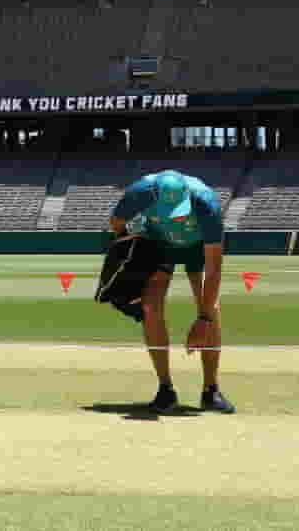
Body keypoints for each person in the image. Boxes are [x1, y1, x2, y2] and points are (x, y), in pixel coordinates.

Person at [109, 170, 236, 414]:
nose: (176, 219)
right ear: (153, 197)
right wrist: (134, 251)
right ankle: (165, 390)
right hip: (158, 242)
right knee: (150, 307)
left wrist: (204, 319)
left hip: (198, 246)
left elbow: (214, 269)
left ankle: (211, 391)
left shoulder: (206, 203)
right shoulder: (138, 194)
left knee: (211, 308)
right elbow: (116, 224)